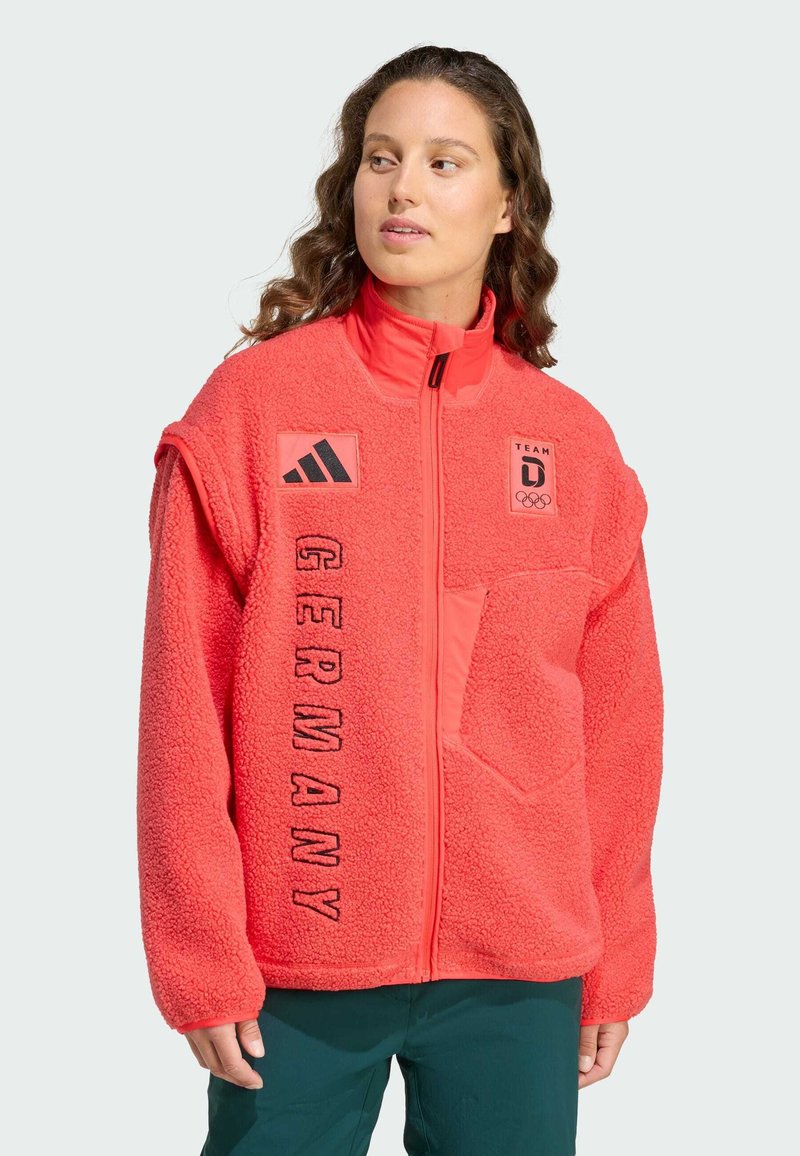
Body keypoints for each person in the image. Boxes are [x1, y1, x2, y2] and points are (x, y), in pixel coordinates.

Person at [137, 44, 665, 1156]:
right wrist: (199, 952)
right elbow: (183, 706)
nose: (403, 189)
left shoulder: (571, 445)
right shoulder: (254, 409)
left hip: (518, 966)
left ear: (508, 203)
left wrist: (616, 948)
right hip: (295, 961)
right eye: (380, 159)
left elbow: (619, 730)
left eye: (443, 160)